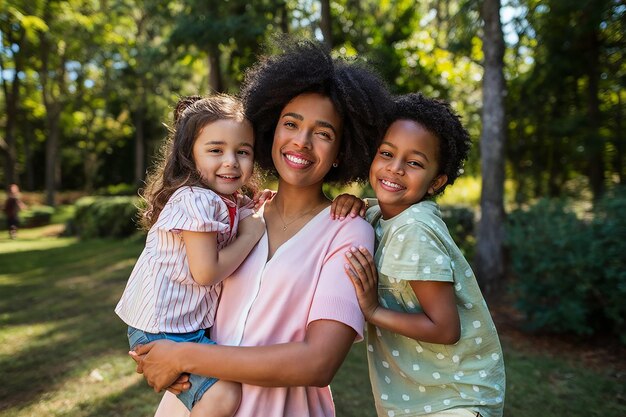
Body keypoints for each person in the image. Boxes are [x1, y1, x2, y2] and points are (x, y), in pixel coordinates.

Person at [130, 39, 392, 417]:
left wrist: (181, 354)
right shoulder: (238, 213)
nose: (301, 142)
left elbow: (318, 363)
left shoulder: (348, 232)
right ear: (270, 130)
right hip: (195, 402)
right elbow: (175, 291)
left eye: (323, 133)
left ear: (341, 151)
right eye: (291, 124)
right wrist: (155, 351)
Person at [338, 93, 505, 417]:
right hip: (422, 398)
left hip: (455, 399)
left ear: (436, 181)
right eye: (386, 153)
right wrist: (349, 202)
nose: (395, 168)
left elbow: (445, 328)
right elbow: (364, 212)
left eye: (414, 162)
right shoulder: (382, 215)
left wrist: (372, 310)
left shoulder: (414, 229)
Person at [115, 94, 266, 417]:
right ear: (189, 156)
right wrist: (250, 234)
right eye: (215, 150)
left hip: (182, 325)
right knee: (223, 395)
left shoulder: (221, 199)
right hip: (164, 328)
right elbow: (206, 272)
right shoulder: (196, 199)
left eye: (243, 152)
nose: (231, 161)